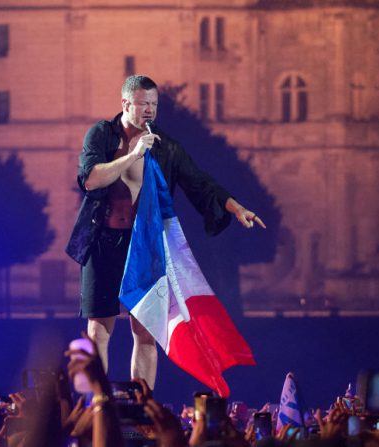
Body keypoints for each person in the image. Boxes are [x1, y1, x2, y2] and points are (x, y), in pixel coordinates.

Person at [66, 74, 265, 390]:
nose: (149, 111)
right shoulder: (102, 136)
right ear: (126, 103)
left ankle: (141, 409)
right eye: (144, 104)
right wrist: (132, 156)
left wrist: (234, 206)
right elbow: (91, 179)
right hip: (102, 242)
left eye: (154, 105)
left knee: (145, 331)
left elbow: (198, 182)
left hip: (143, 248)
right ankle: (97, 409)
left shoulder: (166, 147)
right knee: (98, 330)